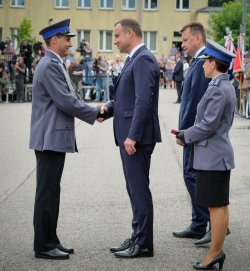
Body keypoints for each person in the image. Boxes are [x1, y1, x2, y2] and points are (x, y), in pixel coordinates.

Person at [29, 19, 103, 260]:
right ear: (54, 40)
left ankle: (51, 239)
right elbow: (65, 101)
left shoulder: (55, 63)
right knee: (47, 193)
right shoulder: (50, 65)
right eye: (66, 38)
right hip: (48, 137)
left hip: (52, 137)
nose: (70, 43)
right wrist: (95, 112)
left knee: (52, 192)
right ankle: (43, 245)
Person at [99, 18, 161, 258]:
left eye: (117, 36)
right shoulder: (135, 58)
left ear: (131, 33)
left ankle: (144, 243)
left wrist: (133, 136)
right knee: (134, 190)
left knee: (139, 189)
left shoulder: (143, 58)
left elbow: (143, 101)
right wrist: (108, 108)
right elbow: (128, 98)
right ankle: (137, 235)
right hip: (129, 135)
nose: (114, 41)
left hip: (137, 137)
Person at [174, 39, 236, 270]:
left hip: (213, 155)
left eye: (205, 61)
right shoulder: (220, 85)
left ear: (213, 63)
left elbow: (208, 125)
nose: (201, 66)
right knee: (218, 206)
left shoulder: (219, 89)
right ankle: (215, 253)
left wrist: (185, 135)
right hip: (214, 153)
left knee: (216, 207)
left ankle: (214, 255)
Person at [172, 22, 210, 243]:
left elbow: (197, 104)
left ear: (197, 39)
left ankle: (208, 224)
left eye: (185, 40)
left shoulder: (204, 62)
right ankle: (198, 224)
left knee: (193, 176)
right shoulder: (197, 62)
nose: (182, 44)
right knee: (192, 176)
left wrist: (185, 133)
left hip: (195, 133)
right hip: (190, 132)